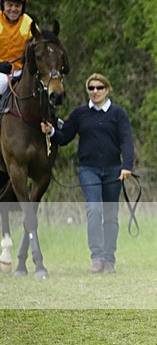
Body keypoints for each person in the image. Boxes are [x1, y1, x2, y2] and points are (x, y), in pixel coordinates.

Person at [40, 73, 134, 274]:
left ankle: (109, 259)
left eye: (99, 88)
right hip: (88, 170)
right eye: (91, 88)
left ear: (107, 89)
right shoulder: (80, 114)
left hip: (113, 171)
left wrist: (127, 166)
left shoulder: (118, 114)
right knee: (94, 209)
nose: (95, 91)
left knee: (110, 216)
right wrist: (52, 132)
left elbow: (127, 140)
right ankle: (97, 257)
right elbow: (65, 137)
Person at [0, 0, 32, 100]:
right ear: (3, 5)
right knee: (1, 83)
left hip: (23, 72)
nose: (13, 9)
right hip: (2, 73)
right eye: (10, 5)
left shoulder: (29, 23)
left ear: (22, 7)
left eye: (17, 6)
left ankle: (50, 114)